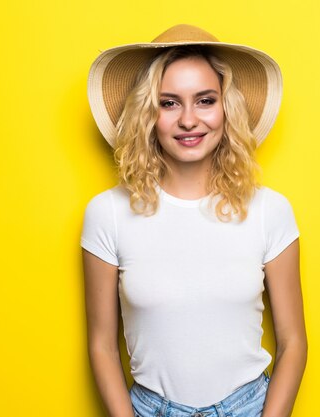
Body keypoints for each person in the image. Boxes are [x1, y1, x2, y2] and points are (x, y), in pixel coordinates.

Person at [81, 24, 307, 417]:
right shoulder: (108, 214)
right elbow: (101, 344)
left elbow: (293, 342)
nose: (189, 120)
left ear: (226, 108)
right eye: (169, 103)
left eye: (204, 100)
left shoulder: (270, 211)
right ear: (147, 114)